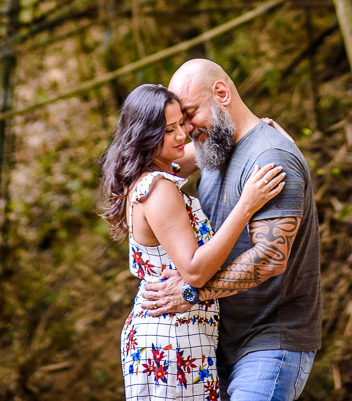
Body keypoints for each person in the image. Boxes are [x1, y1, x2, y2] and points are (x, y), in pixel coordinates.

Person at [141, 60, 322, 401]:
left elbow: (270, 258)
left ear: (221, 93)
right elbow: (148, 166)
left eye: (190, 114)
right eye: (178, 123)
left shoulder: (270, 157)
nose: (186, 129)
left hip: (271, 342)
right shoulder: (214, 147)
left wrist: (192, 292)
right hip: (216, 343)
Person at [101, 82, 287, 399]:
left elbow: (207, 148)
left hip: (179, 335)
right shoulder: (158, 190)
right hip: (171, 342)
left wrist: (261, 133)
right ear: (145, 135)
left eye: (181, 124)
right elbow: (195, 271)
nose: (181, 135)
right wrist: (246, 205)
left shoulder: (153, 171)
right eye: (168, 129)